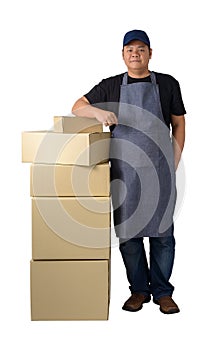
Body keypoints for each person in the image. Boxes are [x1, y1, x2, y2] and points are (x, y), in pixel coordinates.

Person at [72, 29, 186, 314]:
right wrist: (98, 113)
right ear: (123, 55)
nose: (135, 53)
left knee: (162, 235)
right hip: (125, 174)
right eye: (129, 49)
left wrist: (174, 158)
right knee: (129, 235)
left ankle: (162, 292)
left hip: (160, 172)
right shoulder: (110, 86)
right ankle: (138, 291)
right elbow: (77, 107)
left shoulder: (168, 84)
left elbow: (179, 123)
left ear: (150, 53)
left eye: (141, 48)